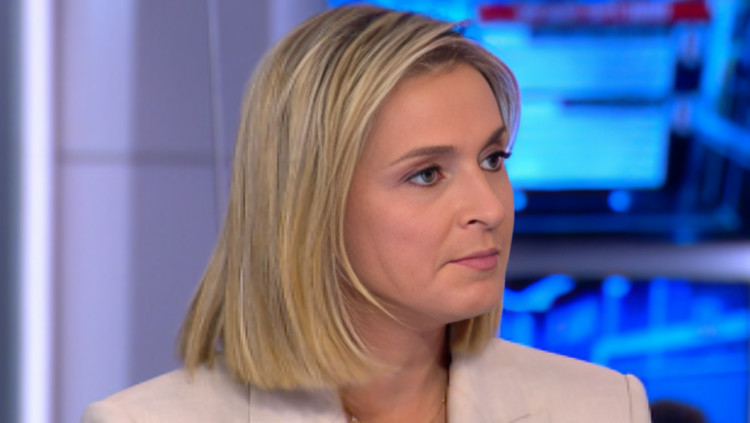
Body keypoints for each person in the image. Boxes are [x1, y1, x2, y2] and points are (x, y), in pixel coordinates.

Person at [82, 5, 650, 423]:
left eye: (493, 159)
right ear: (311, 204)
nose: (489, 208)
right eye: (427, 174)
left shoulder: (604, 407)